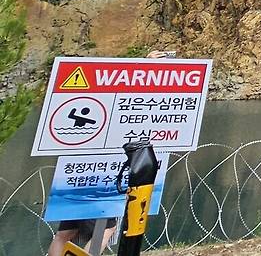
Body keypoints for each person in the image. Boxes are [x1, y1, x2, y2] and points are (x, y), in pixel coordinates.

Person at [47, 50, 173, 255]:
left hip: (78, 171)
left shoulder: (88, 101)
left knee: (65, 232)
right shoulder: (117, 107)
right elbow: (132, 96)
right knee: (104, 229)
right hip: (103, 173)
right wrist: (147, 65)